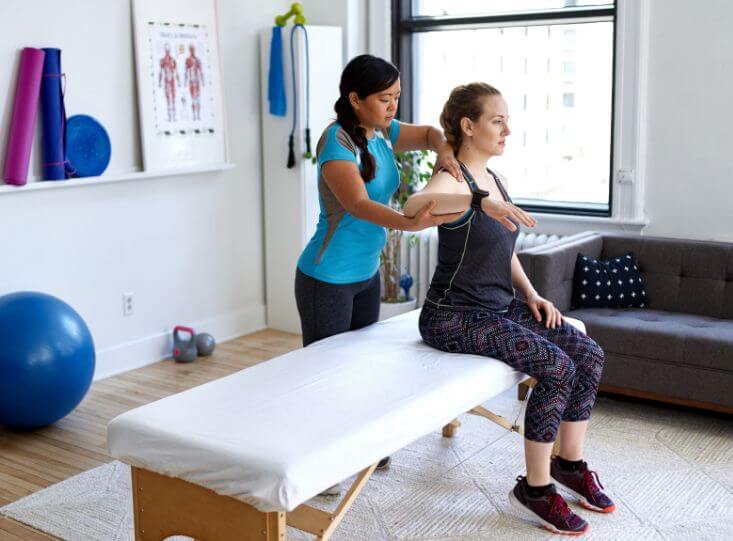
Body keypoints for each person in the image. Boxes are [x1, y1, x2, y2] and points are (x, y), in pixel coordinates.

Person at [412, 82, 614, 536]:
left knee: (588, 354)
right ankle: (536, 490)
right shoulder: (452, 176)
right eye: (497, 120)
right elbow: (415, 205)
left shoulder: (495, 179)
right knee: (556, 367)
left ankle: (569, 464)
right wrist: (480, 201)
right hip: (453, 314)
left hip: (500, 306)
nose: (508, 129)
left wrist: (532, 295)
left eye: (508, 120)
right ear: (469, 125)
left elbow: (502, 251)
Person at [294, 54, 464, 491]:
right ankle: (321, 468)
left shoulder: (382, 131)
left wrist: (444, 153)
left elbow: (428, 133)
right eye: (384, 99)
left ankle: (360, 444)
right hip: (326, 277)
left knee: (359, 364)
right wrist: (410, 222)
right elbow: (358, 205)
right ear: (355, 99)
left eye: (397, 98)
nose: (392, 107)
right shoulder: (336, 142)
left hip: (366, 274)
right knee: (325, 374)